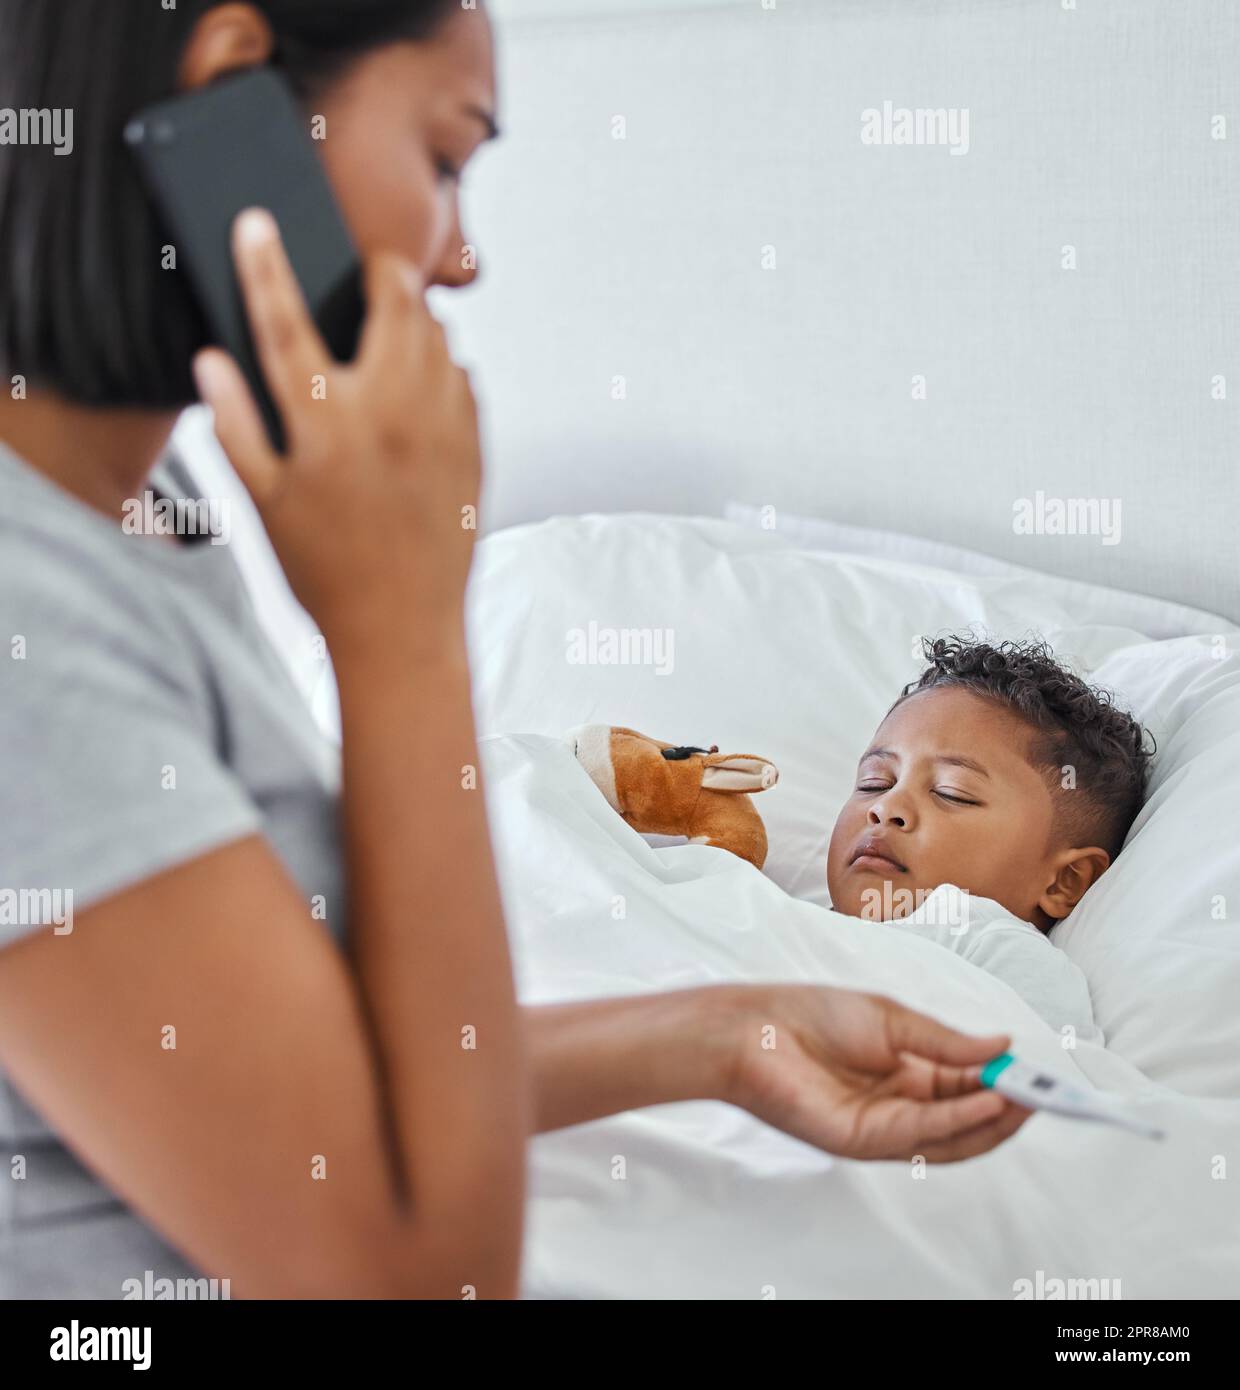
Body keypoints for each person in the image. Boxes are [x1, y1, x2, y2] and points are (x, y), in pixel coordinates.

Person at [0, 1, 1029, 1300]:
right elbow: (408, 1272)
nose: (464, 255)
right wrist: (401, 624)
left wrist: (724, 1033)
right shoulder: (28, 604)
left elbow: (285, 1092)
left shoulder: (145, 520)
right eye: (445, 157)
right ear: (236, 105)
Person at [828, 634, 1152, 1040]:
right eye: (874, 783)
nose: (886, 808)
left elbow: (1044, 1079)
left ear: (1063, 880)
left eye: (952, 793)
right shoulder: (778, 908)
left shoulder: (993, 947)